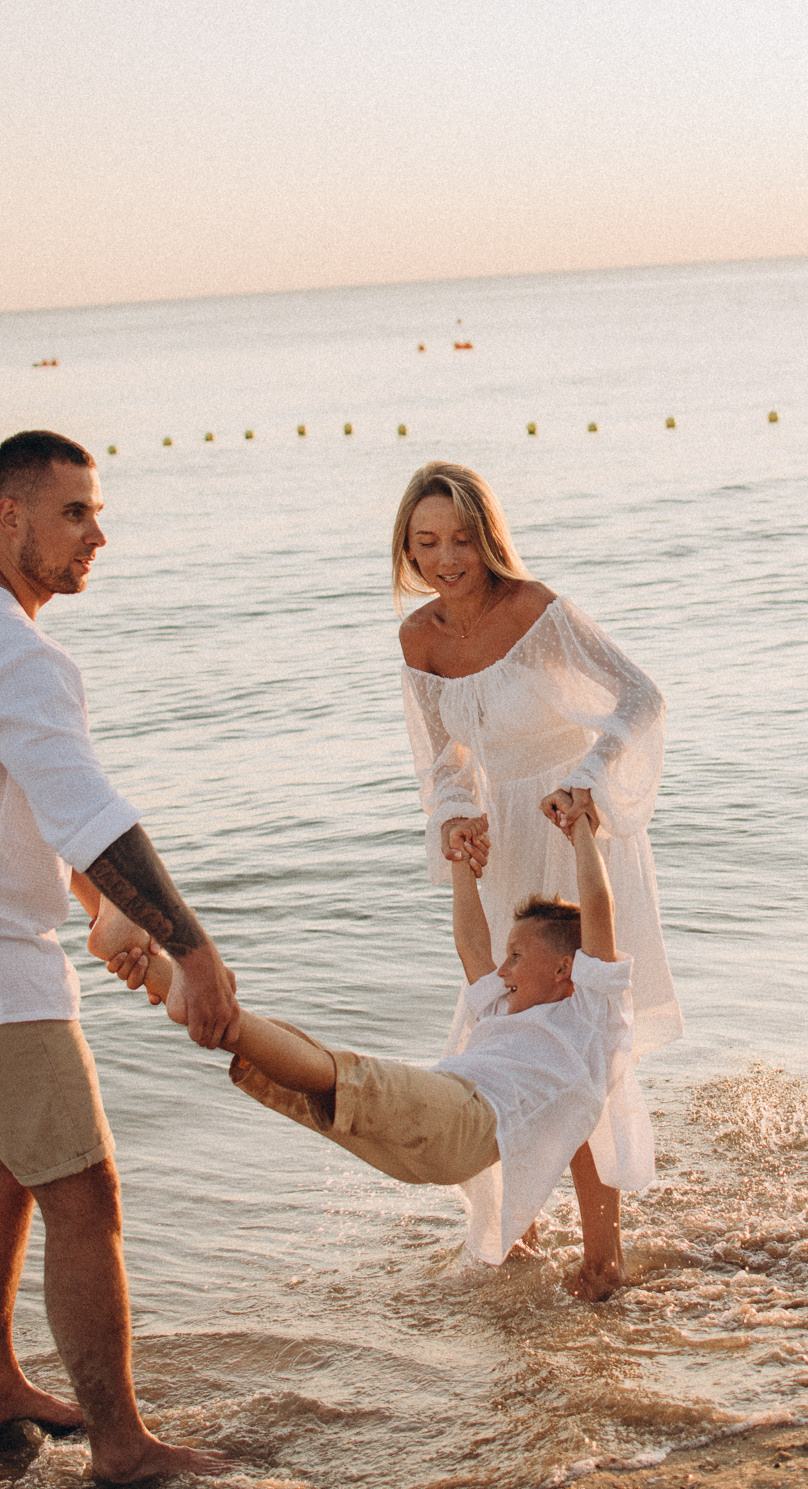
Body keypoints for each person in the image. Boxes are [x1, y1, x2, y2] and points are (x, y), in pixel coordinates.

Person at [105, 806, 652, 1299]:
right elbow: (470, 943)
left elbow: (598, 906)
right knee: (315, 1083)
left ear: (565, 971)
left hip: (470, 1119)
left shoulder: (589, 1017)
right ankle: (169, 979)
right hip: (434, 1137)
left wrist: (581, 829)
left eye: (516, 956)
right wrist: (461, 861)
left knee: (343, 1073)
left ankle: (200, 1000)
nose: (502, 969)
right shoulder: (502, 1010)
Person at [0, 429, 238, 1482]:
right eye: (75, 512)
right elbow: (89, 814)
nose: (99, 532)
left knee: (9, 1173)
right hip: (4, 975)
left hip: (21, 944)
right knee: (83, 1194)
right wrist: (196, 950)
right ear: (8, 519)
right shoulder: (23, 655)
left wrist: (103, 912)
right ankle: (122, 1444)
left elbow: (33, 811)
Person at [392, 461, 682, 1069]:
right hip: (505, 842)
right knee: (510, 1012)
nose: (446, 558)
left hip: (573, 827)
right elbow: (445, 761)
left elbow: (640, 695)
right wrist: (456, 817)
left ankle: (602, 1164)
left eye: (462, 539)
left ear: (487, 538)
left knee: (589, 1016)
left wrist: (587, 781)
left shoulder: (535, 609)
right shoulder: (419, 637)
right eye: (427, 543)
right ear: (408, 553)